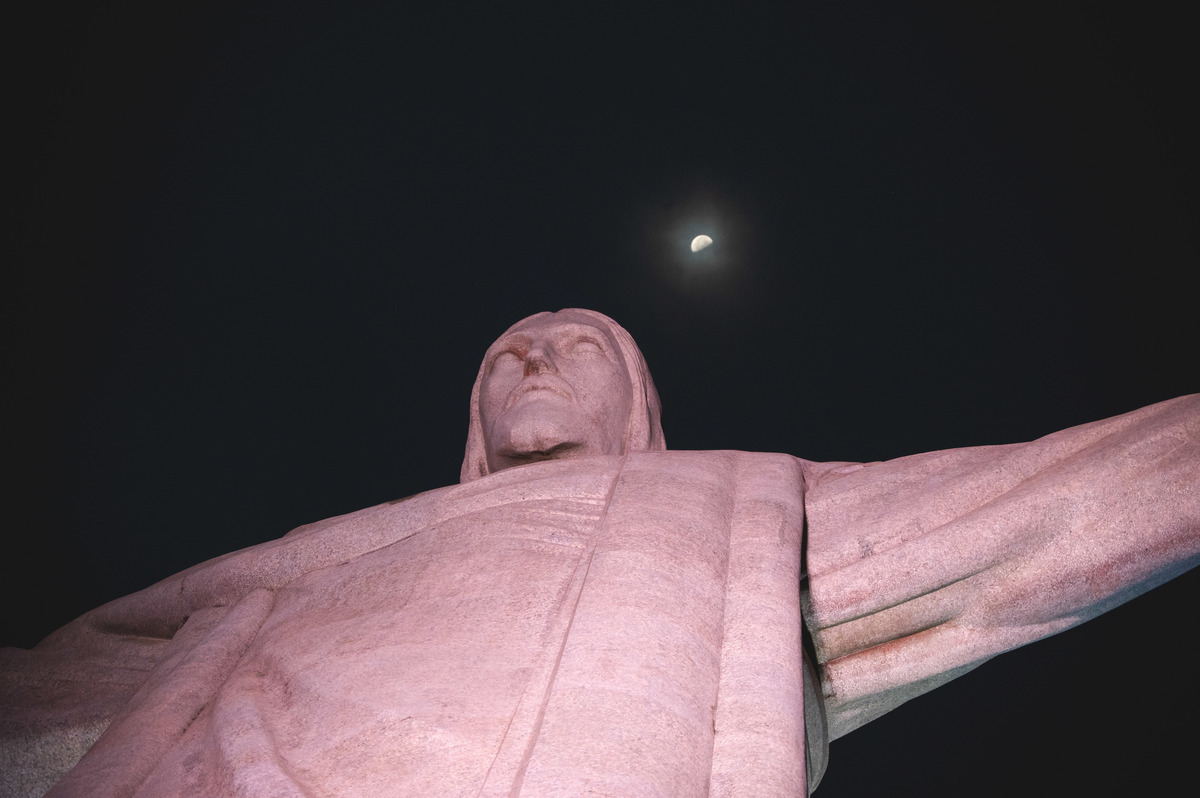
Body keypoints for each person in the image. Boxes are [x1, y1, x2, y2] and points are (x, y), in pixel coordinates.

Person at [2, 309, 1197, 798]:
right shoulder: (318, 553)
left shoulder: (734, 511)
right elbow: (62, 688)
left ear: (637, 409)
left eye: (576, 346)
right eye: (507, 353)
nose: (531, 360)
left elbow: (1051, 512)